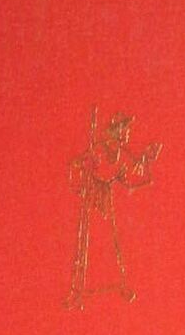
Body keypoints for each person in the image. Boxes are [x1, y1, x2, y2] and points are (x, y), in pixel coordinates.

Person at [65, 110, 162, 309]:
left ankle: (117, 285)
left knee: (109, 244)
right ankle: (78, 292)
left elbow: (132, 177)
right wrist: (83, 168)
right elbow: (78, 168)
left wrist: (146, 161)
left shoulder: (122, 155)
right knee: (85, 246)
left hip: (105, 205)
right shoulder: (98, 150)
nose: (127, 133)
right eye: (125, 129)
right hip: (92, 201)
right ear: (116, 130)